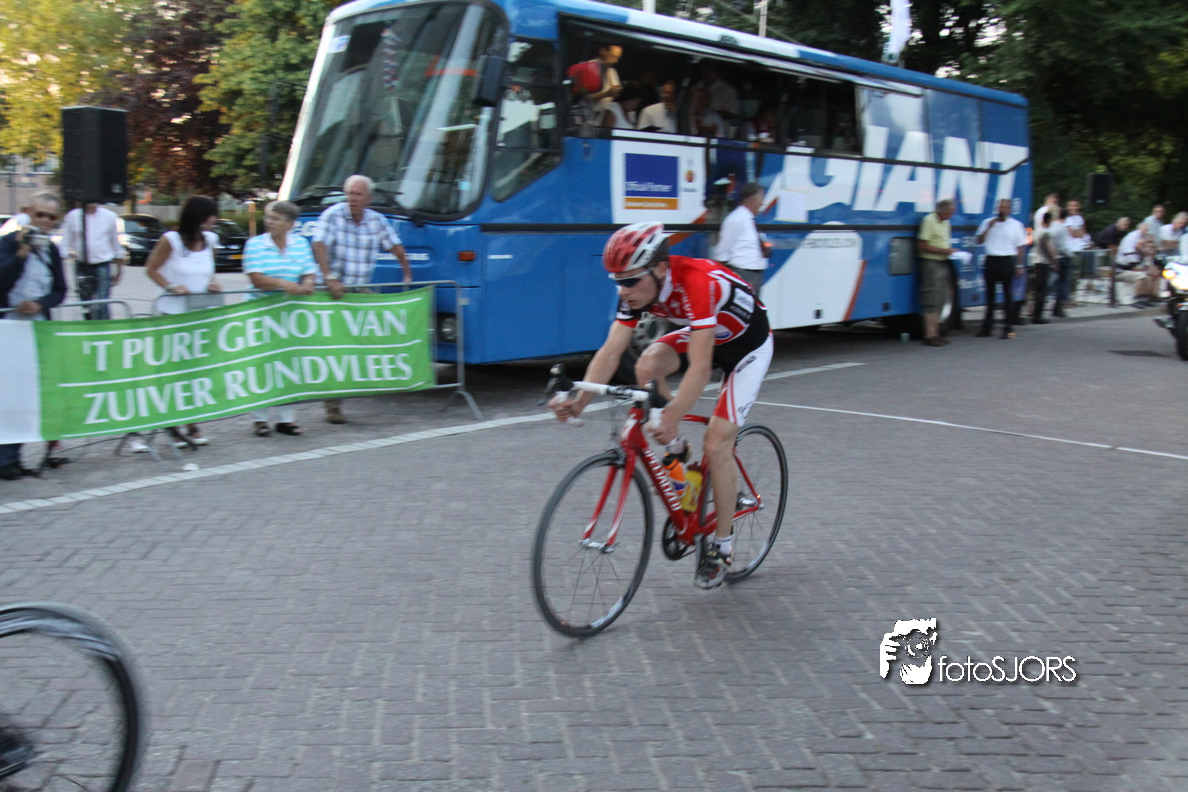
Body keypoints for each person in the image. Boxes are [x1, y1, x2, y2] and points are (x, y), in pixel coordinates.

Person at [550, 222, 773, 589]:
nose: (623, 291)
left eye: (630, 281)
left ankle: (722, 546)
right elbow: (611, 351)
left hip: (748, 346)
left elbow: (700, 368)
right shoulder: (635, 291)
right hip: (709, 333)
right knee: (646, 366)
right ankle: (679, 450)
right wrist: (579, 402)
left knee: (717, 443)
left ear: (659, 269)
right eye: (617, 282)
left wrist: (671, 414)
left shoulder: (696, 281)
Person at [313, 174, 412, 424]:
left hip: (360, 290)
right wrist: (329, 277)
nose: (352, 199)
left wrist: (407, 272)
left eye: (357, 194)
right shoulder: (332, 215)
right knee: (336, 349)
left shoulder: (376, 220)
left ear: (369, 198)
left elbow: (395, 245)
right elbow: (319, 244)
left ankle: (387, 378)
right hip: (333, 292)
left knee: (386, 324)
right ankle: (333, 405)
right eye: (349, 194)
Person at [144, 195, 224, 448]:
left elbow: (208, 270)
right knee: (173, 371)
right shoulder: (172, 240)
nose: (214, 220)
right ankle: (173, 425)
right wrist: (171, 286)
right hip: (172, 314)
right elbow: (151, 269)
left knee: (195, 371)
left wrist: (213, 283)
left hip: (199, 314)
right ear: (198, 217)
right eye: (210, 216)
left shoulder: (210, 240)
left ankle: (192, 422)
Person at [0, 193, 67, 481]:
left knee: (27, 392)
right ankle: (5, 457)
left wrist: (40, 304)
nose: (45, 221)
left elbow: (61, 289)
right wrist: (21, 253)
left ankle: (14, 455)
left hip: (37, 328)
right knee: (7, 392)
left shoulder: (51, 249)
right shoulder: (8, 242)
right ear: (28, 213)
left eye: (51, 217)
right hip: (8, 326)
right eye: (40, 215)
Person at [243, 200, 317, 438]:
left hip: (289, 314)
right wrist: (285, 284)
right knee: (262, 364)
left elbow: (309, 272)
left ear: (290, 224)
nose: (269, 222)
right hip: (261, 312)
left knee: (290, 363)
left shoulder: (300, 244)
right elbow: (257, 278)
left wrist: (308, 283)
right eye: (268, 217)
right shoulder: (255, 245)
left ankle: (286, 419)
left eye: (275, 219)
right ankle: (260, 419)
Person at [62, 201, 125, 320]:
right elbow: (65, 244)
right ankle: (90, 326)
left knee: (102, 304)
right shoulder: (73, 216)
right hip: (82, 265)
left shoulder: (109, 216)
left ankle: (105, 328)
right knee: (86, 305)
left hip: (102, 265)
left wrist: (119, 270)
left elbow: (116, 244)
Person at [975, 198, 1027, 338]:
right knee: (990, 296)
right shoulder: (988, 222)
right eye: (1000, 207)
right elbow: (979, 240)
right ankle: (987, 327)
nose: (1002, 210)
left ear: (1009, 210)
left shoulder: (1016, 225)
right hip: (991, 260)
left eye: (1005, 207)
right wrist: (988, 228)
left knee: (1007, 295)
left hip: (1007, 260)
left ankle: (1008, 328)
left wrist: (1019, 265)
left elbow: (1020, 247)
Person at [714, 182, 768, 296]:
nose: (762, 203)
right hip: (742, 273)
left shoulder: (750, 220)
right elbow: (722, 252)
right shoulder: (736, 219)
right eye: (761, 199)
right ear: (753, 200)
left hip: (754, 274)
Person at [916, 198, 957, 346]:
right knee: (931, 298)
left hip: (943, 261)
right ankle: (929, 335)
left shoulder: (946, 222)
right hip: (931, 263)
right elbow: (922, 245)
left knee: (941, 298)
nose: (951, 215)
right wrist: (944, 251)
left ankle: (936, 333)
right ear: (941, 211)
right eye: (949, 212)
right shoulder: (929, 221)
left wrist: (949, 252)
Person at [1030, 209, 1058, 324]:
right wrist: (1055, 261)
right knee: (1042, 291)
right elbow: (1048, 249)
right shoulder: (1045, 233)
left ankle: (1034, 314)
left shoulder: (1036, 232)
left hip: (1035, 261)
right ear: (1049, 221)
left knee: (1037, 290)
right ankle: (1037, 316)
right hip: (1043, 262)